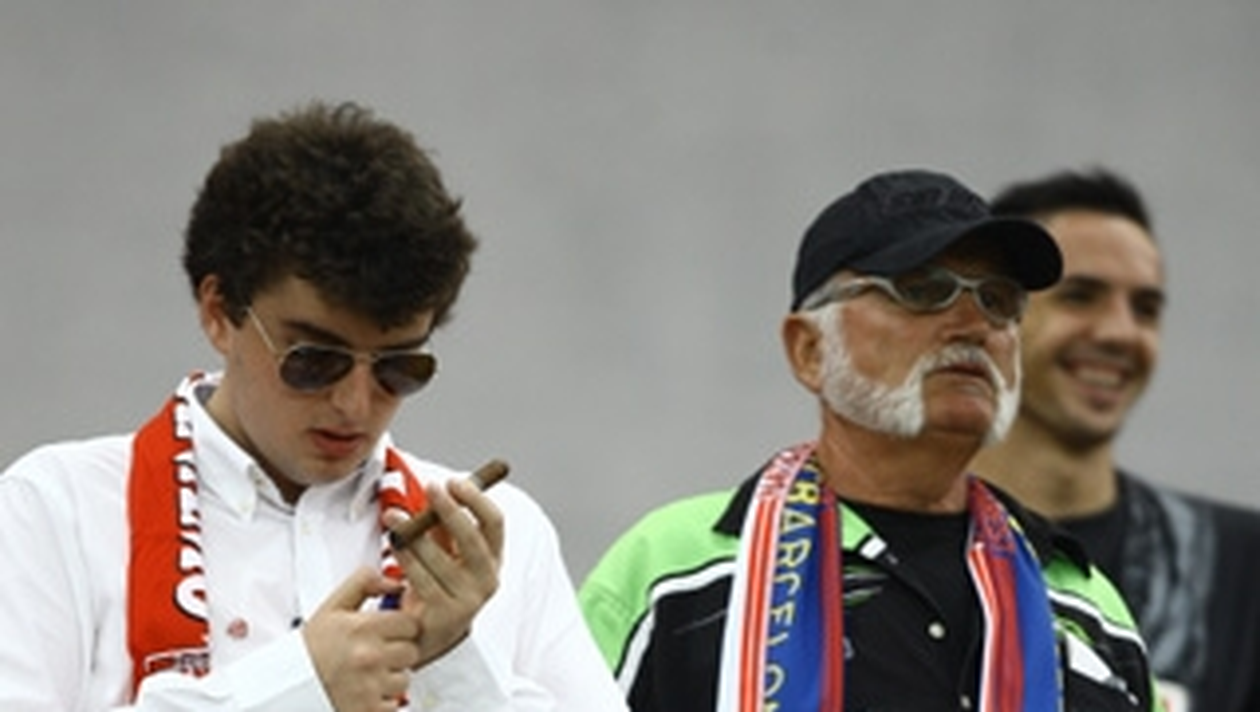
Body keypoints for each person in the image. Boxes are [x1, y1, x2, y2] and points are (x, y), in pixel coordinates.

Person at [0, 101, 626, 711]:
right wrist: (294, 689)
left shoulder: (498, 541)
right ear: (218, 313)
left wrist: (453, 666)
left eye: (398, 368)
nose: (354, 404)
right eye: (314, 360)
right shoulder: (55, 511)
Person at [579, 169, 1158, 711]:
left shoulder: (1085, 606)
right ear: (810, 350)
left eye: (998, 301)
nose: (974, 325)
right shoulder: (675, 573)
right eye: (922, 290)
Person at [970, 167, 1260, 712]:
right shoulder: (883, 552)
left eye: (1145, 309)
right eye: (1080, 296)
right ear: (993, 315)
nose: (1119, 333)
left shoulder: (1233, 568)